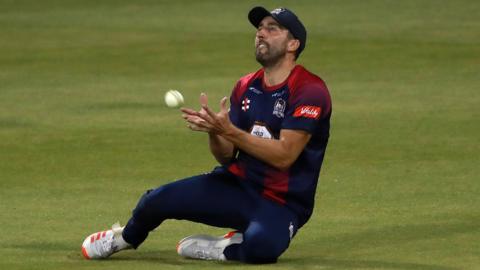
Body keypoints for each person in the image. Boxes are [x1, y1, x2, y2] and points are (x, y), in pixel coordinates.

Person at [81, 6, 332, 264]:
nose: (261, 34)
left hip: (283, 202)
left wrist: (230, 131)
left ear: (293, 44)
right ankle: (124, 238)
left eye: (272, 29)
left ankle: (222, 249)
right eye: (259, 28)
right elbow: (225, 157)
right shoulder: (247, 86)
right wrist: (215, 131)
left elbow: (284, 156)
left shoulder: (309, 90)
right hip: (237, 187)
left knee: (261, 247)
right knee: (156, 199)